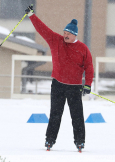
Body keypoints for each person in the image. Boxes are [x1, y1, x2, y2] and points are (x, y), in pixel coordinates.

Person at [25, 5, 94, 151]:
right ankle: (50, 140)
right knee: (55, 114)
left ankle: (80, 141)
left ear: (75, 35)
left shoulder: (83, 48)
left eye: (68, 33)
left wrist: (87, 84)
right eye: (64, 32)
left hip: (75, 87)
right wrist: (31, 15)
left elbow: (89, 67)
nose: (65, 35)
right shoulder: (56, 40)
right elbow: (42, 29)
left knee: (77, 116)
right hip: (58, 85)